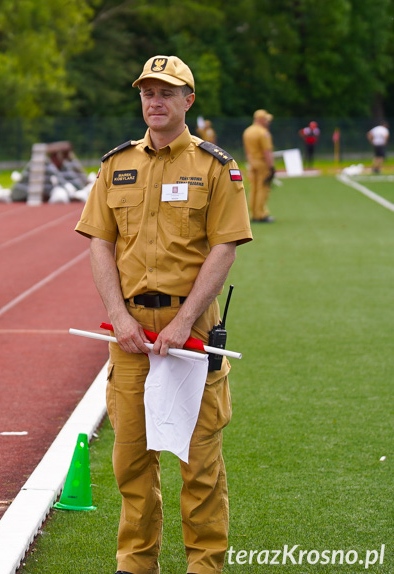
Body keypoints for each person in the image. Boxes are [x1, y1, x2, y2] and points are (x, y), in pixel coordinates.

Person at [75, 55, 252, 574]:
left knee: (199, 468)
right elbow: (99, 244)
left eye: (167, 92)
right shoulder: (115, 164)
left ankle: (204, 567)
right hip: (129, 334)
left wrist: (181, 321)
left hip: (191, 334)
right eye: (148, 92)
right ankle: (135, 565)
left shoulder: (216, 167)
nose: (155, 100)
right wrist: (119, 316)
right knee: (131, 464)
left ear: (187, 101)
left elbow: (225, 249)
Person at [243, 109, 276, 222]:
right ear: (261, 120)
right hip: (262, 163)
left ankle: (253, 213)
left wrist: (250, 161)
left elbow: (247, 150)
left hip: (252, 162)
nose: (268, 122)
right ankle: (260, 214)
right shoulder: (263, 133)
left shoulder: (247, 131)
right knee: (263, 188)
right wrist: (271, 167)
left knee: (253, 189)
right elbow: (267, 152)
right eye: (266, 120)